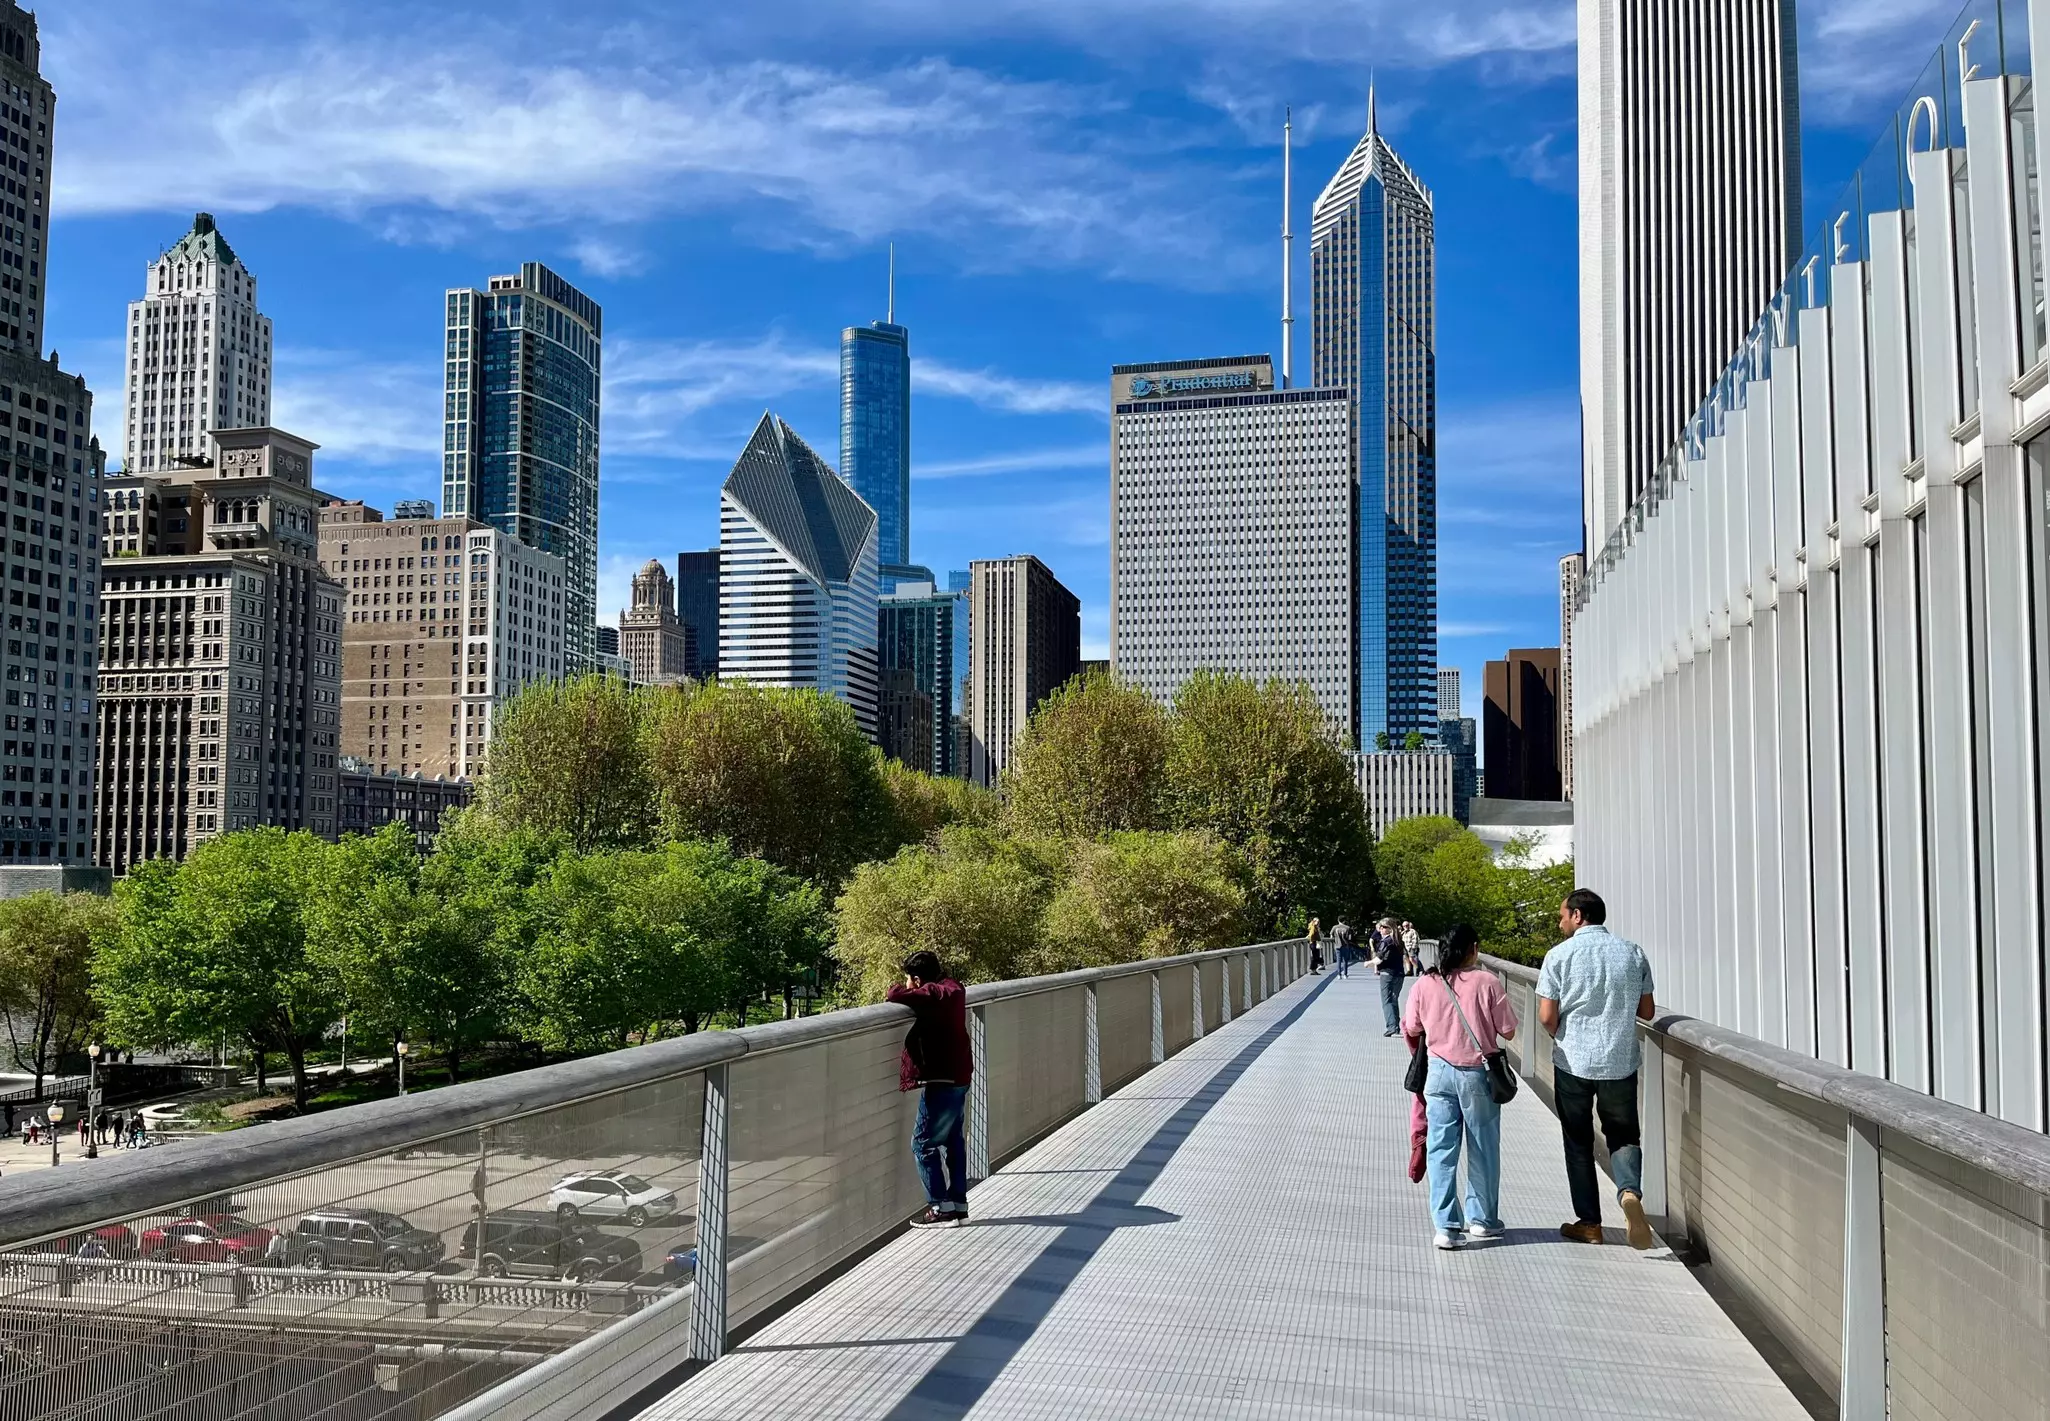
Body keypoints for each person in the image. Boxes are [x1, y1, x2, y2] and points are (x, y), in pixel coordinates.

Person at [1538, 888, 1658, 1249]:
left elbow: (1546, 1016)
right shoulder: (1632, 952)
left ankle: (1589, 1223)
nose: (1560, 921)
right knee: (1623, 1134)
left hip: (1573, 1061)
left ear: (1578, 916)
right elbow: (1648, 1011)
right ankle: (1629, 1193)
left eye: (1562, 914)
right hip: (1619, 1062)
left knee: (1578, 1142)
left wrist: (1560, 1033)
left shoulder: (1559, 956)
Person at [1403, 924, 1518, 1249]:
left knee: (1441, 1149)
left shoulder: (1426, 983)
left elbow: (1412, 1026)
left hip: (1438, 1074)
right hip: (1477, 1075)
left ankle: (1447, 1228)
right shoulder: (1488, 982)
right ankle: (1482, 1220)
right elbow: (1508, 1031)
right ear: (1474, 949)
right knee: (1483, 1148)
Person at [887, 950, 974, 1229]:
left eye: (910, 980)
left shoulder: (932, 994)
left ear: (916, 978)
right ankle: (958, 1206)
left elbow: (894, 995)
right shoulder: (955, 988)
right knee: (952, 1141)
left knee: (922, 1144)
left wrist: (906, 986)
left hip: (943, 1080)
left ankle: (941, 1208)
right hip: (960, 1075)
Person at [1372, 918, 1407, 1036]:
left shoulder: (1386, 941)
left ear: (1389, 928)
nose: (1380, 930)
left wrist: (1368, 963)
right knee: (1394, 999)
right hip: (1399, 974)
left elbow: (1379, 958)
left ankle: (1392, 1026)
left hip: (1388, 973)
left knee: (1387, 1000)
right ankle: (1396, 1025)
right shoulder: (1398, 941)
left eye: (1382, 927)